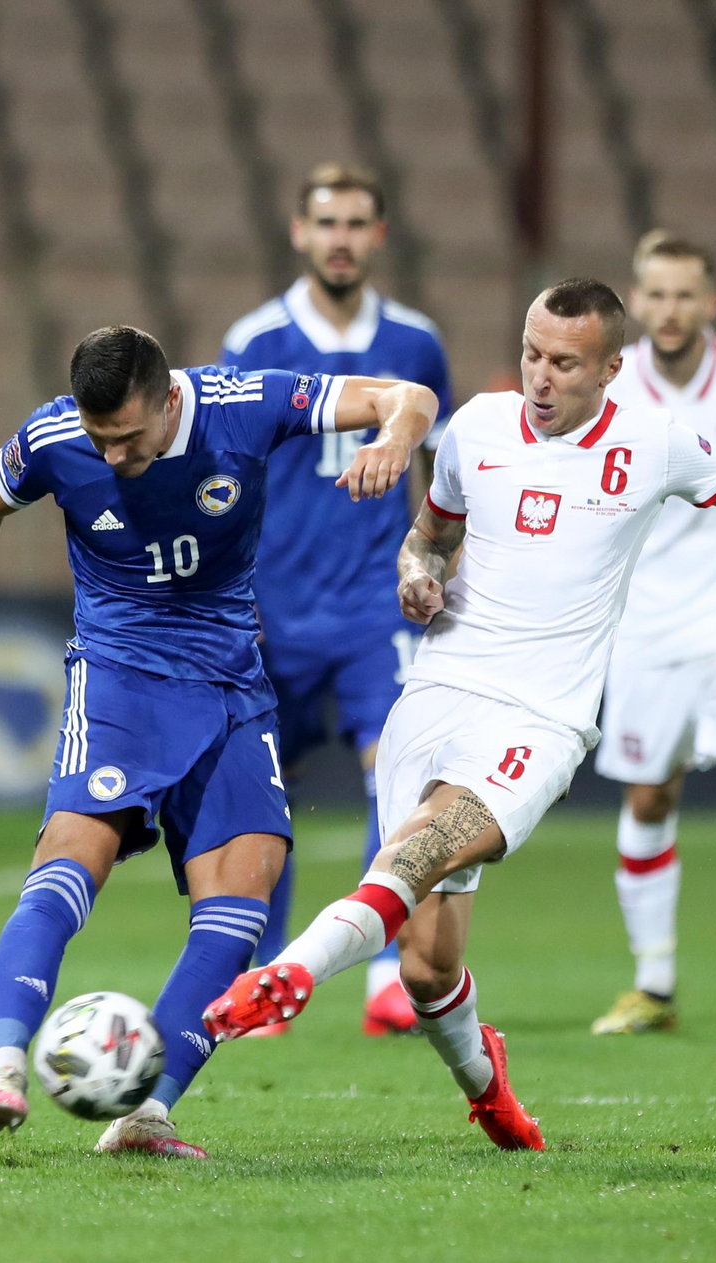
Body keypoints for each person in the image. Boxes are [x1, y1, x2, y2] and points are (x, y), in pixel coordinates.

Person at [202, 277, 716, 1150]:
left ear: (610, 369)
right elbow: (430, 534)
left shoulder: (657, 443)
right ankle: (489, 1091)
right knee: (427, 962)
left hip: (543, 717)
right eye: (531, 354)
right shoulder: (476, 428)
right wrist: (418, 573)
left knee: (417, 850)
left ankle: (292, 972)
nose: (541, 377)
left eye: (564, 362)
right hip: (439, 694)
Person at [0, 325, 437, 1156]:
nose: (110, 457)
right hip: (116, 676)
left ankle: (150, 1113)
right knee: (70, 857)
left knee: (244, 901)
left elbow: (409, 397)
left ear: (169, 400)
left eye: (129, 438)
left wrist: (393, 438)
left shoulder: (240, 404)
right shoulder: (54, 436)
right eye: (99, 439)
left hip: (230, 685)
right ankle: (1, 1062)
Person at [218, 162, 453, 1036]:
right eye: (328, 223)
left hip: (373, 603)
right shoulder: (255, 340)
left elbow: (440, 469)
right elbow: (226, 471)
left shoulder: (417, 342)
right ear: (299, 232)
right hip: (271, 604)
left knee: (398, 776)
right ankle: (266, 971)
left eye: (357, 222)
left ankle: (385, 968)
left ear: (379, 234)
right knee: (260, 791)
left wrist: (438, 559)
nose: (342, 238)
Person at [592, 234, 716, 1038]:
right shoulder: (613, 388)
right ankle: (655, 984)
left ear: (710, 303)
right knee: (651, 793)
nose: (670, 310)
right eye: (656, 294)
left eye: (686, 295)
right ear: (636, 303)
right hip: (646, 618)